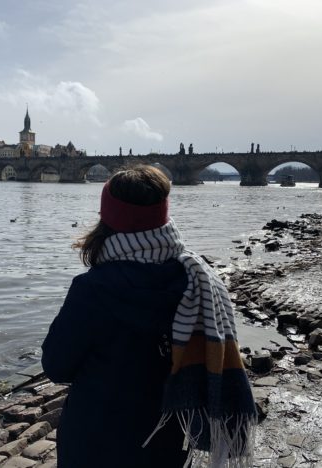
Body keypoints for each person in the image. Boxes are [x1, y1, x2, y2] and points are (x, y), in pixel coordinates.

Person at [42, 165, 256, 468]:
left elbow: (56, 366)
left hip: (96, 440)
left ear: (108, 218)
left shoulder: (93, 289)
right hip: (168, 440)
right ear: (163, 215)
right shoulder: (199, 280)